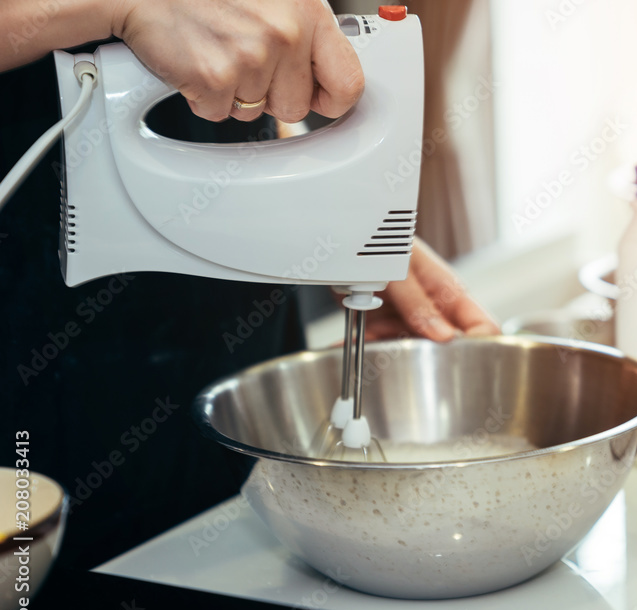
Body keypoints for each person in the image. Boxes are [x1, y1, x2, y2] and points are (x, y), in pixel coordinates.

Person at [0, 0, 498, 569]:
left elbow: (250, 54)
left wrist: (341, 207)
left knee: (239, 582)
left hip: (221, 324)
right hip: (31, 333)